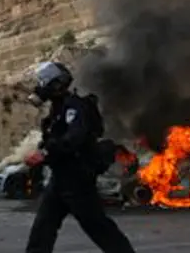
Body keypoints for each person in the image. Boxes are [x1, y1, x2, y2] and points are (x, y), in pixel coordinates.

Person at [23, 61, 137, 253]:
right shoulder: (57, 110)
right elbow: (55, 140)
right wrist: (42, 154)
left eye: (43, 83)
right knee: (42, 230)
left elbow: (74, 138)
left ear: (55, 84)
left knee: (99, 228)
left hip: (77, 180)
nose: (39, 88)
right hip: (60, 180)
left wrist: (45, 154)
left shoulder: (74, 107)